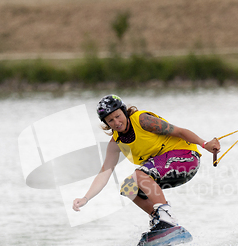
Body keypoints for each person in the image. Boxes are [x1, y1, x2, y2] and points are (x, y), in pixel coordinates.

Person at [72, 94, 220, 233]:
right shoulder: (115, 143)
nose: (116, 122)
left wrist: (204, 143)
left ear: (124, 112)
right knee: (128, 187)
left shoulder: (143, 120)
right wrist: (85, 198)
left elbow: (180, 132)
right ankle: (160, 222)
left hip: (186, 159)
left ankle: (167, 217)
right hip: (166, 169)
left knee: (139, 174)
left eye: (118, 116)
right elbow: (104, 173)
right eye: (110, 120)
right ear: (106, 123)